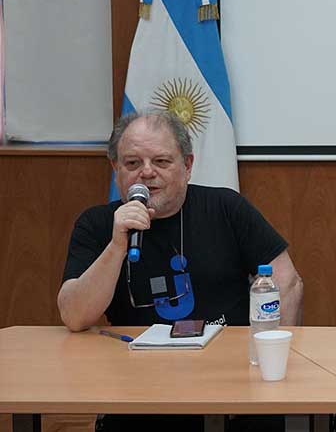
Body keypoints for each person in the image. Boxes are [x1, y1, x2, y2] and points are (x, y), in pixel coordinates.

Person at [58, 110, 303, 432]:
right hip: (137, 385)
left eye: (161, 161)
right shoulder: (97, 224)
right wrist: (117, 245)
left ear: (187, 165)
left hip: (230, 379)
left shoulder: (226, 208)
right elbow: (75, 315)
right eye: (132, 163)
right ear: (115, 168)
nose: (147, 173)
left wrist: (271, 363)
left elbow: (287, 281)